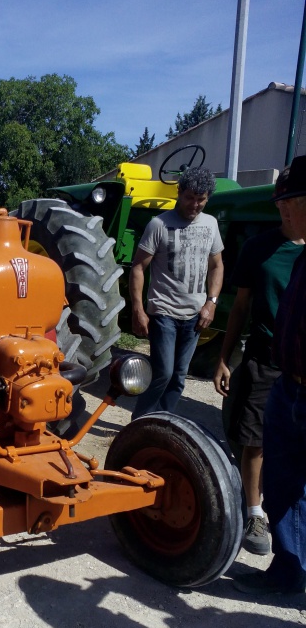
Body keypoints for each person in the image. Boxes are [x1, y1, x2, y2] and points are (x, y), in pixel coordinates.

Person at [214, 168, 304, 555]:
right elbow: (241, 308)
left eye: (293, 202)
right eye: (280, 203)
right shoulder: (259, 249)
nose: (284, 209)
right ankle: (255, 512)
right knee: (254, 438)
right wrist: (223, 357)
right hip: (267, 359)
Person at [233, 154, 306, 595]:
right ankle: (287, 572)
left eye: (290, 201)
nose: (283, 208)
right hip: (286, 384)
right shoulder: (295, 258)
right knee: (284, 481)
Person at [130, 167, 224, 418]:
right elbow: (138, 267)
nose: (195, 204)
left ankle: (162, 422)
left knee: (180, 375)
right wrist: (138, 309)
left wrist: (211, 303)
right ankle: (140, 422)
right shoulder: (159, 224)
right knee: (163, 372)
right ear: (179, 194)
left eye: (201, 199)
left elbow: (217, 265)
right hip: (164, 312)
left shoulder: (211, 224)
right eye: (190, 197)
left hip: (195, 315)